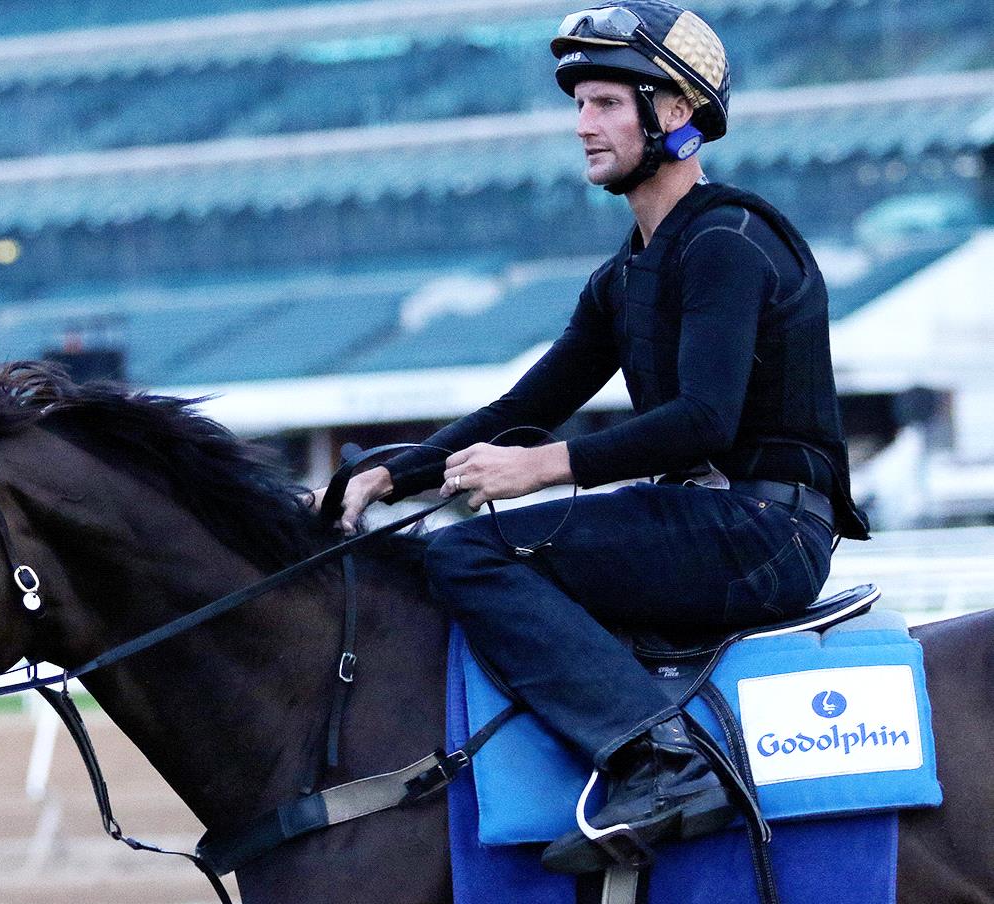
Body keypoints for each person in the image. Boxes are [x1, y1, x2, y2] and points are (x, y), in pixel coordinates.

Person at [312, 0, 869, 874]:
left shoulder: (728, 240)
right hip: (706, 523)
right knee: (447, 547)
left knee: (471, 554)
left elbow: (701, 421)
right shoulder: (627, 270)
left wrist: (540, 468)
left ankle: (662, 761)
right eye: (578, 104)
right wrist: (394, 474)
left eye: (607, 101)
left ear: (675, 113)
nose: (582, 124)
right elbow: (529, 401)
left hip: (767, 535)